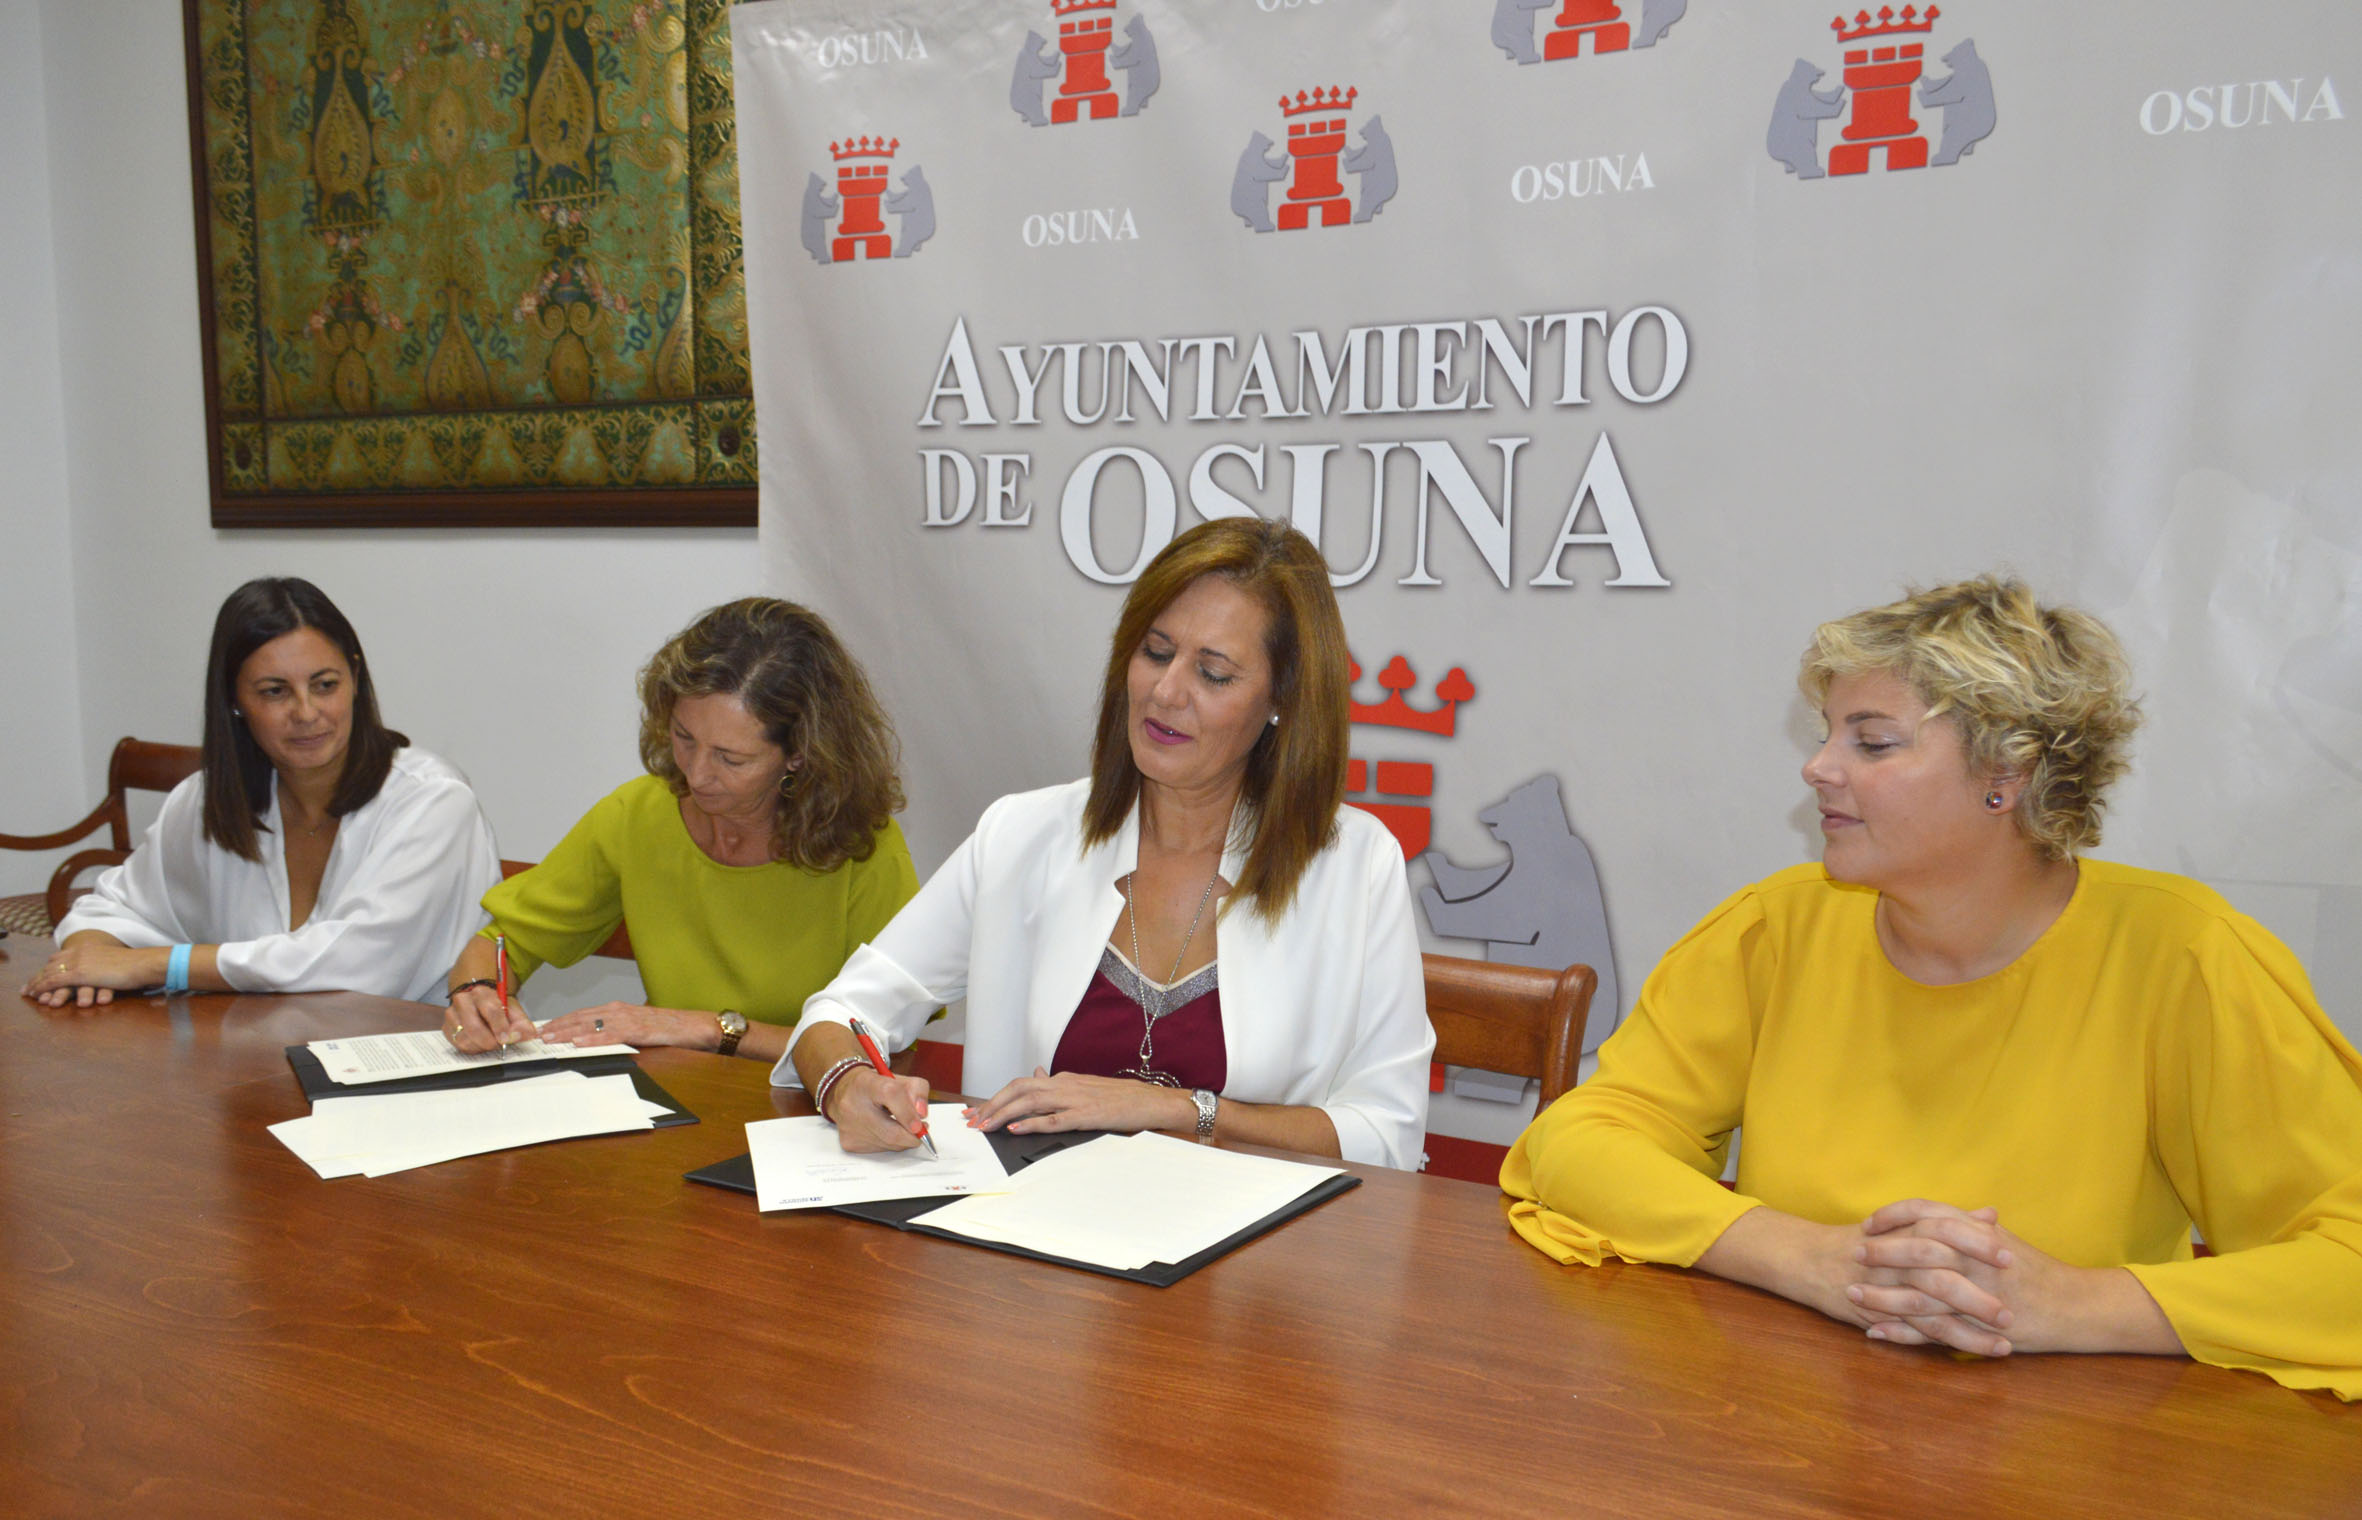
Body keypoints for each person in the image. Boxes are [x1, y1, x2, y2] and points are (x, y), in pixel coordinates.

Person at [1502, 576, 2362, 1399]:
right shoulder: (1777, 928)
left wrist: (2072, 1305)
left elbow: (2346, 1264)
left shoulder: (2184, 955)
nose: (1817, 768)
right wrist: (1804, 1258)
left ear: (2008, 775)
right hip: (1782, 1417)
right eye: (1826, 734)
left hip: (2079, 1442)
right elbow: (1580, 1143)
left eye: (1872, 742)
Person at [781, 518, 1433, 1170]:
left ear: (1281, 699)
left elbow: (1386, 1135)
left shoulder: (1355, 864)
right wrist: (847, 1084)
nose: (1166, 691)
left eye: (1213, 674)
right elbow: (840, 1013)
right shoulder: (1023, 835)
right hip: (1026, 1224)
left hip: (1257, 1235)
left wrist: (1178, 1111)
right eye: (1155, 652)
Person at [446, 598, 917, 1065]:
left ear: (800, 754)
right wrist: (478, 994)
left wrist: (709, 1029)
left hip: (804, 1100)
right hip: (674, 1087)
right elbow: (503, 941)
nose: (696, 774)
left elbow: (880, 1037)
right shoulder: (638, 815)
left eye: (731, 759)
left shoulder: (862, 846)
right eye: (683, 737)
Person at [27, 578, 500, 1008]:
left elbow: (359, 966)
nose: (306, 712)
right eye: (275, 692)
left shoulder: (433, 800)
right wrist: (85, 962)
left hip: (406, 1060)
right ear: (234, 700)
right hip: (250, 1058)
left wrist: (155, 965)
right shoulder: (206, 801)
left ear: (355, 679)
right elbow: (114, 907)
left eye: (325, 685)